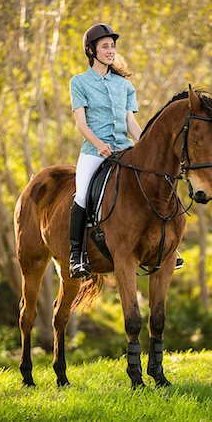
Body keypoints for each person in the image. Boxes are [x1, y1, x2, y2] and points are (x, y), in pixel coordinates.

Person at [69, 23, 142, 278]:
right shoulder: (79, 82)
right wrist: (99, 145)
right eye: (105, 46)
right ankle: (76, 256)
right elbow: (81, 123)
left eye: (112, 46)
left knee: (155, 180)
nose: (110, 51)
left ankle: (168, 247)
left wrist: (145, 144)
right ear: (92, 51)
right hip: (94, 151)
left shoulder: (124, 86)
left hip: (124, 149)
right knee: (81, 195)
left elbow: (130, 122)